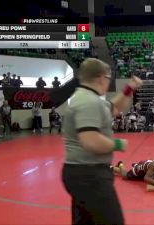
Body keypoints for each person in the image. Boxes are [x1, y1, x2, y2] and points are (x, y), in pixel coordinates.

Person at [61, 58, 143, 225]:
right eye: (108, 77)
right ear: (100, 77)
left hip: (83, 173)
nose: (108, 81)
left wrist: (129, 89)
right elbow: (90, 140)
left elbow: (114, 108)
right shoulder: (88, 101)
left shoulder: (90, 98)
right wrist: (118, 144)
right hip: (89, 176)